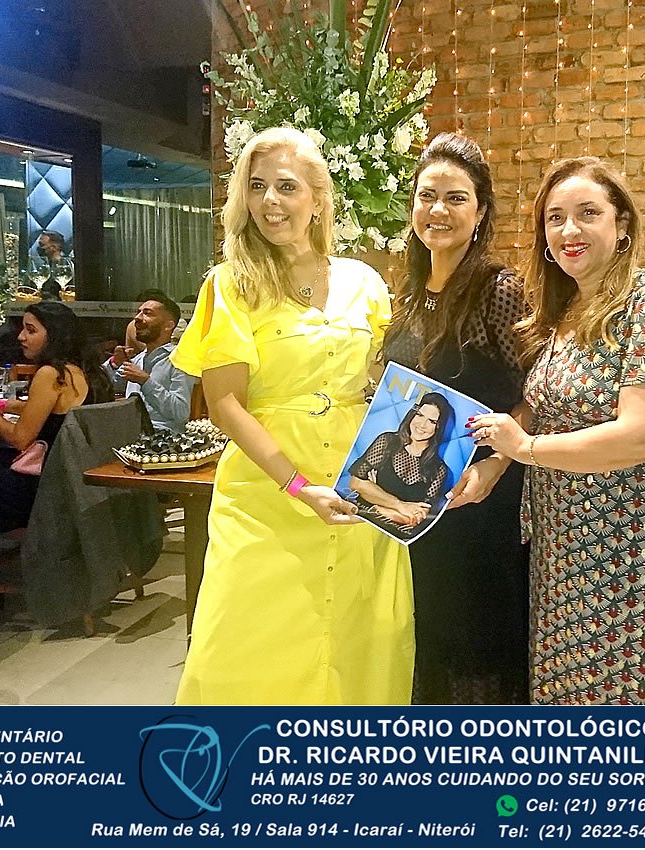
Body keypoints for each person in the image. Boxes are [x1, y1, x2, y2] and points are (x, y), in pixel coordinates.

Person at [170, 127, 414, 705]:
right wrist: (299, 486)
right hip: (264, 499)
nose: (269, 201)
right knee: (244, 648)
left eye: (285, 186)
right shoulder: (231, 284)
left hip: (357, 493)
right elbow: (225, 404)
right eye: (256, 187)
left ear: (318, 199)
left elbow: (389, 385)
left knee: (356, 643)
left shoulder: (365, 282)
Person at [470, 157, 645, 705]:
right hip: (563, 547)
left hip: (632, 548)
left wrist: (526, 448)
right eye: (555, 217)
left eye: (588, 213)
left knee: (634, 696)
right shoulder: (561, 311)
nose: (569, 230)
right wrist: (495, 462)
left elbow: (642, 435)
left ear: (621, 223)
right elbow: (541, 406)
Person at [380, 132, 530, 705]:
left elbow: (536, 392)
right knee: (425, 630)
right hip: (414, 496)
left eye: (455, 198)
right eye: (427, 196)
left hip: (477, 498)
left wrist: (495, 467)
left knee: (475, 636)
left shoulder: (498, 290)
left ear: (481, 211)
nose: (438, 210)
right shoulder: (409, 290)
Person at [0, 301, 114, 611]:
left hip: (45, 494)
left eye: (31, 330)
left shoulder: (51, 373)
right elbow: (50, 408)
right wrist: (6, 406)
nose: (20, 337)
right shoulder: (85, 372)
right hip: (76, 487)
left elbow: (20, 438)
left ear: (54, 334)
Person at [347, 392, 454, 539]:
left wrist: (377, 503)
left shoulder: (438, 469)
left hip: (392, 536)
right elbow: (356, 484)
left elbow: (417, 519)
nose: (422, 425)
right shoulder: (387, 442)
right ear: (412, 415)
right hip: (357, 523)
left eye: (432, 421)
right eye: (420, 415)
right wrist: (400, 506)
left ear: (439, 428)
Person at [103, 292, 195, 432]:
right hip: (129, 434)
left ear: (168, 325)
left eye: (147, 313)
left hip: (163, 438)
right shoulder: (137, 359)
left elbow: (180, 413)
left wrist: (145, 381)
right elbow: (108, 385)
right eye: (138, 312)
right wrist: (115, 363)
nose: (137, 318)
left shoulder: (180, 361)